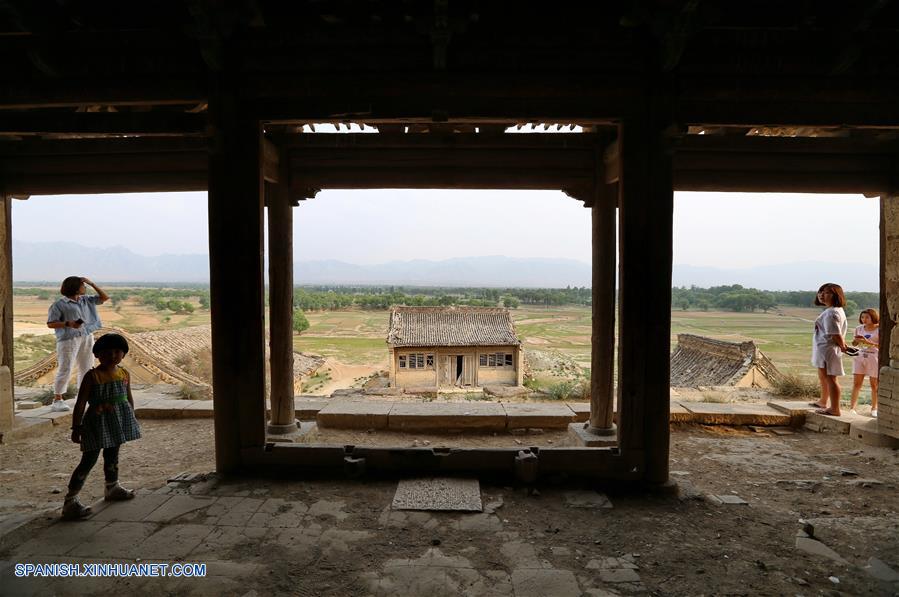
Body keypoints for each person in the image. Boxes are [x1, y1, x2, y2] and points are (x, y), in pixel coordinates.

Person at [62, 333, 141, 520]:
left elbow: (128, 397)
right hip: (97, 423)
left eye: (117, 351)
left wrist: (131, 415)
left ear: (123, 354)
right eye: (106, 352)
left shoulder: (124, 374)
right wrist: (76, 427)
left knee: (113, 454)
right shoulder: (92, 376)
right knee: (88, 460)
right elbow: (81, 403)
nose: (112, 355)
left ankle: (112, 486)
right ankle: (70, 501)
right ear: (97, 355)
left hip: (118, 421)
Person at [46, 276, 109, 411]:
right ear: (75, 287)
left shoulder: (87, 300)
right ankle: (57, 399)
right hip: (69, 339)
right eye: (82, 285)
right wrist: (68, 323)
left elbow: (104, 297)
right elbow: (50, 323)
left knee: (87, 366)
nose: (85, 287)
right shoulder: (59, 305)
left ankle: (84, 395)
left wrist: (92, 283)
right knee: (66, 367)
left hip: (86, 336)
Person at [810, 283, 850, 416]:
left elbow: (835, 333)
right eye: (820, 292)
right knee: (823, 376)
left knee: (830, 378)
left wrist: (843, 346)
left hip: (828, 349)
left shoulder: (831, 313)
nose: (822, 295)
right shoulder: (834, 310)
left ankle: (834, 408)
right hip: (825, 348)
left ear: (836, 295)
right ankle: (823, 400)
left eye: (826, 292)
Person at [849, 308, 880, 417]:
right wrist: (856, 341)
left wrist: (868, 342)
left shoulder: (879, 329)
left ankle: (874, 408)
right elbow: (854, 343)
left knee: (874, 385)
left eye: (867, 317)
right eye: (862, 317)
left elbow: (882, 345)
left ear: (873, 317)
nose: (864, 319)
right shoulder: (859, 328)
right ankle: (852, 408)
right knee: (857, 383)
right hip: (860, 356)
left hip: (874, 357)